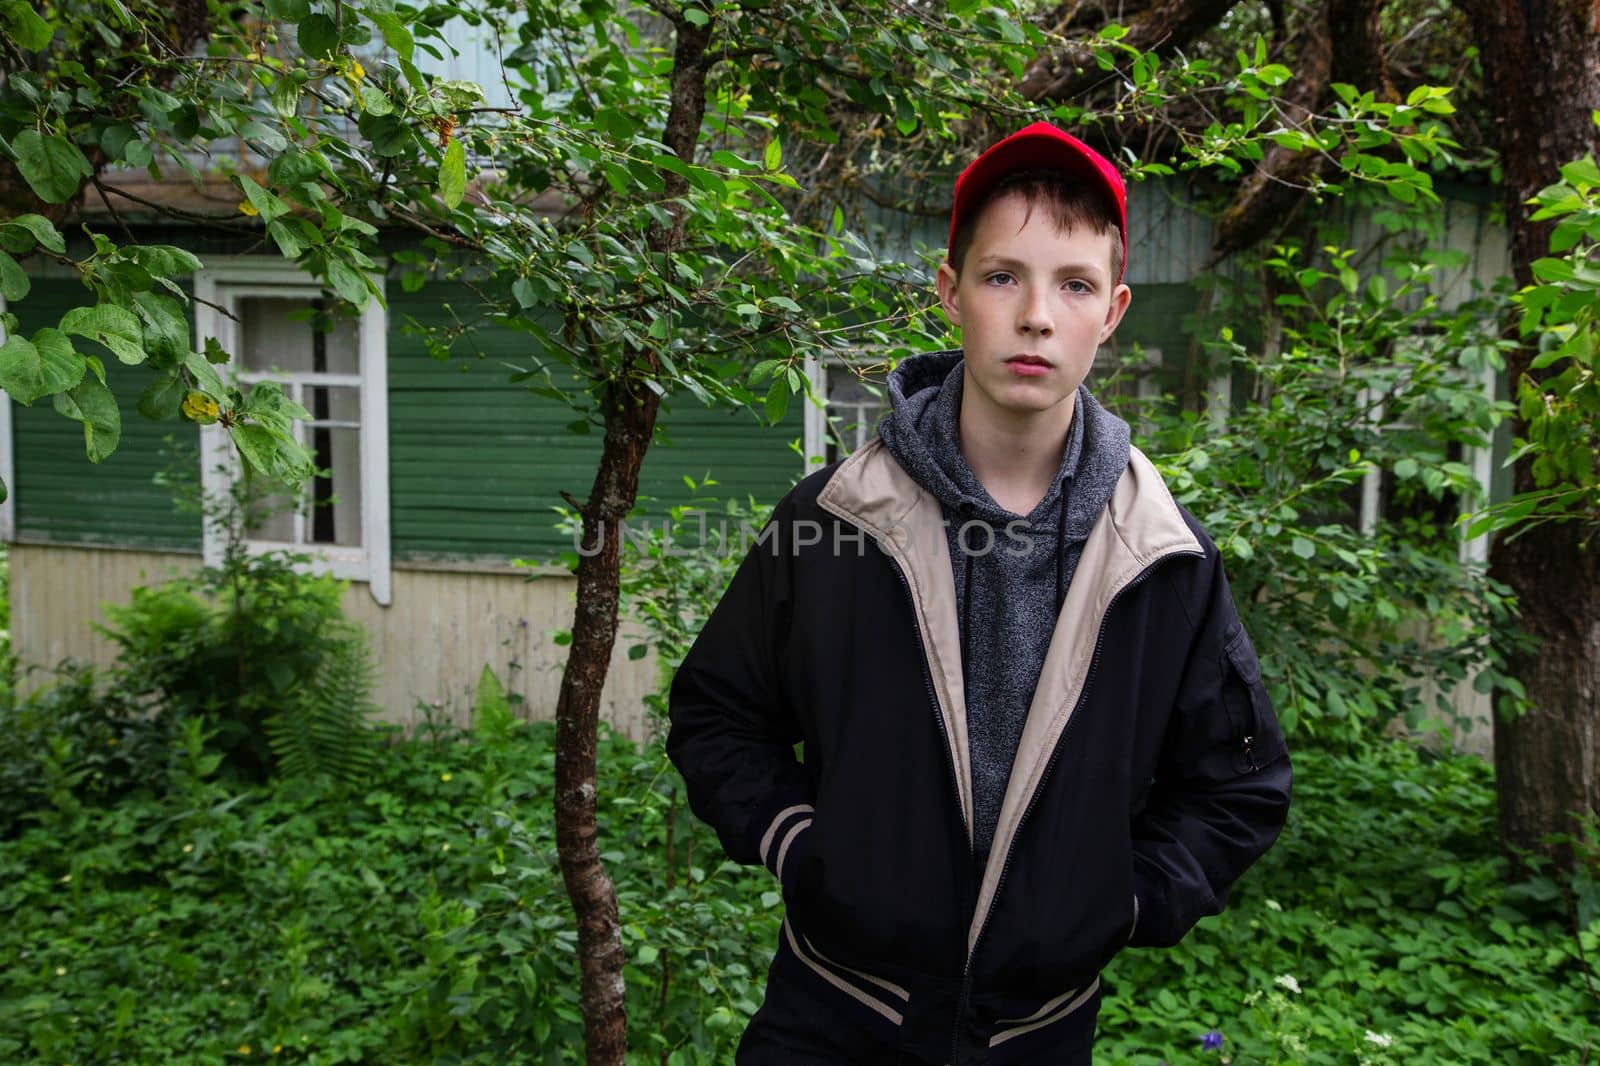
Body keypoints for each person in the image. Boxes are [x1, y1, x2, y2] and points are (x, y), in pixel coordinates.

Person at [666, 121, 1293, 1065]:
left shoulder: (1163, 556)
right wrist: (803, 847)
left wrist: (1121, 903)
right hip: (835, 1017)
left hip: (1037, 1034)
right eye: (1003, 276)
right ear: (949, 291)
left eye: (1073, 284)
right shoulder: (836, 519)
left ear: (1113, 309)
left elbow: (1239, 784)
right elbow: (717, 713)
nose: (1037, 314)